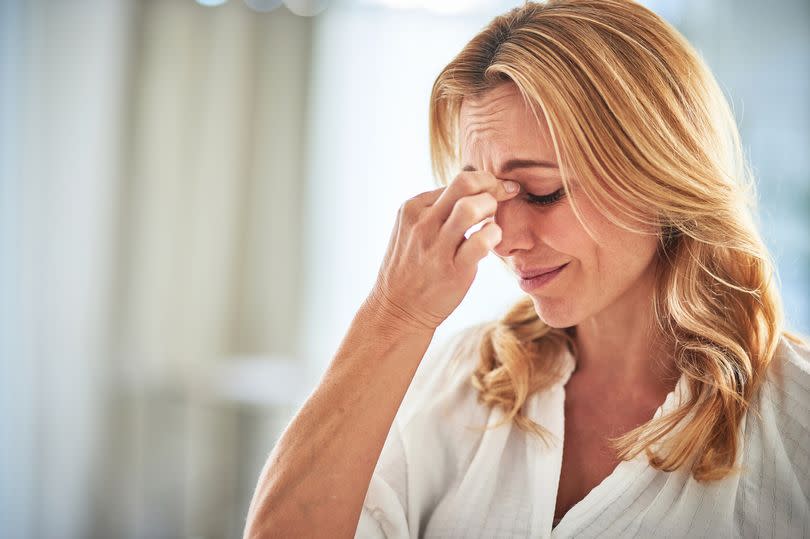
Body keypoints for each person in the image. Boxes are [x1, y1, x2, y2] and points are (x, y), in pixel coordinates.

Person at [243, 0, 810, 537]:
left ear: (660, 176)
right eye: (488, 199)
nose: (503, 241)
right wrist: (393, 315)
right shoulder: (458, 381)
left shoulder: (795, 420)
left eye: (542, 193)